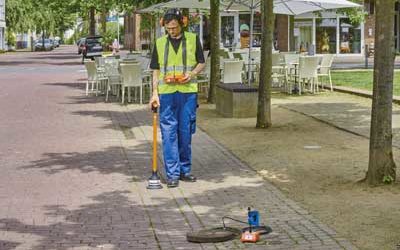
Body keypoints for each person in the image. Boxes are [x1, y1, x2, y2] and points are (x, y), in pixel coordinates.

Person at [149, 8, 205, 188]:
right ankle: (172, 174)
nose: (171, 31)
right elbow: (155, 70)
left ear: (182, 23)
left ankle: (184, 171)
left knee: (185, 132)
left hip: (187, 92)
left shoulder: (193, 39)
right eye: (168, 28)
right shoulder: (159, 43)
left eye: (174, 27)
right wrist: (154, 93)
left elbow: (201, 62)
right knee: (168, 133)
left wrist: (192, 73)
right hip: (166, 94)